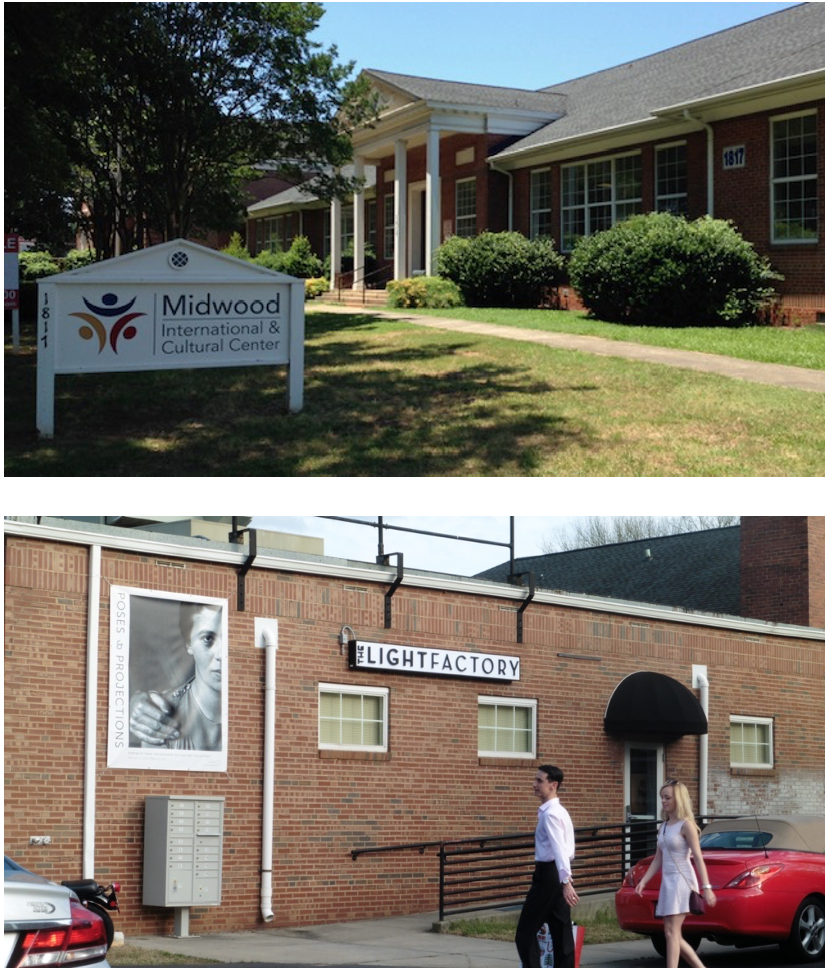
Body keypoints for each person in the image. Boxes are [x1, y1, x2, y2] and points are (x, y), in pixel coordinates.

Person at [635, 780, 717, 969]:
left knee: (672, 932)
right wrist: (644, 881)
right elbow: (658, 858)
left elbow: (697, 857)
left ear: (678, 799)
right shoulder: (663, 826)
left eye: (667, 797)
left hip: (683, 880)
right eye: (662, 797)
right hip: (668, 881)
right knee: (671, 933)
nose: (663, 801)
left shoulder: (686, 825)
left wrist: (707, 888)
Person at [129, 602, 223, 751]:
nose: (221, 655)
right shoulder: (161, 718)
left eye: (230, 641)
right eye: (208, 639)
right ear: (189, 644)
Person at [515, 765, 580, 968]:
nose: (534, 784)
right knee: (561, 934)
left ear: (553, 785)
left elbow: (560, 850)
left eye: (539, 781)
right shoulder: (558, 811)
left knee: (524, 933)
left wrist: (566, 882)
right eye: (535, 780)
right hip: (556, 876)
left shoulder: (551, 814)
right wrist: (564, 880)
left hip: (550, 877)